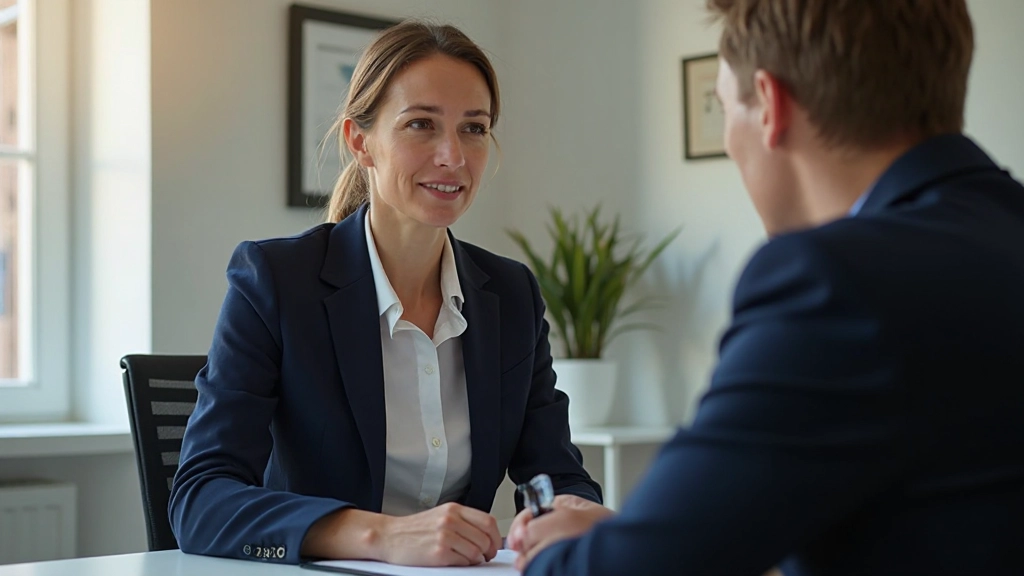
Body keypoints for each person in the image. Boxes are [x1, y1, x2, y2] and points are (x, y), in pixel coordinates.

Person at [508, 1, 1024, 574]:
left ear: (771, 105)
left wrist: (558, 553)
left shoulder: (834, 283)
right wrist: (640, 533)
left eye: (724, 107)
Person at [169, 20, 601, 567]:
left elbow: (557, 475)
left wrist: (573, 512)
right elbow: (200, 502)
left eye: (474, 128)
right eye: (421, 124)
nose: (453, 156)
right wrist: (380, 536)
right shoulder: (277, 280)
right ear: (360, 142)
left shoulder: (510, 295)